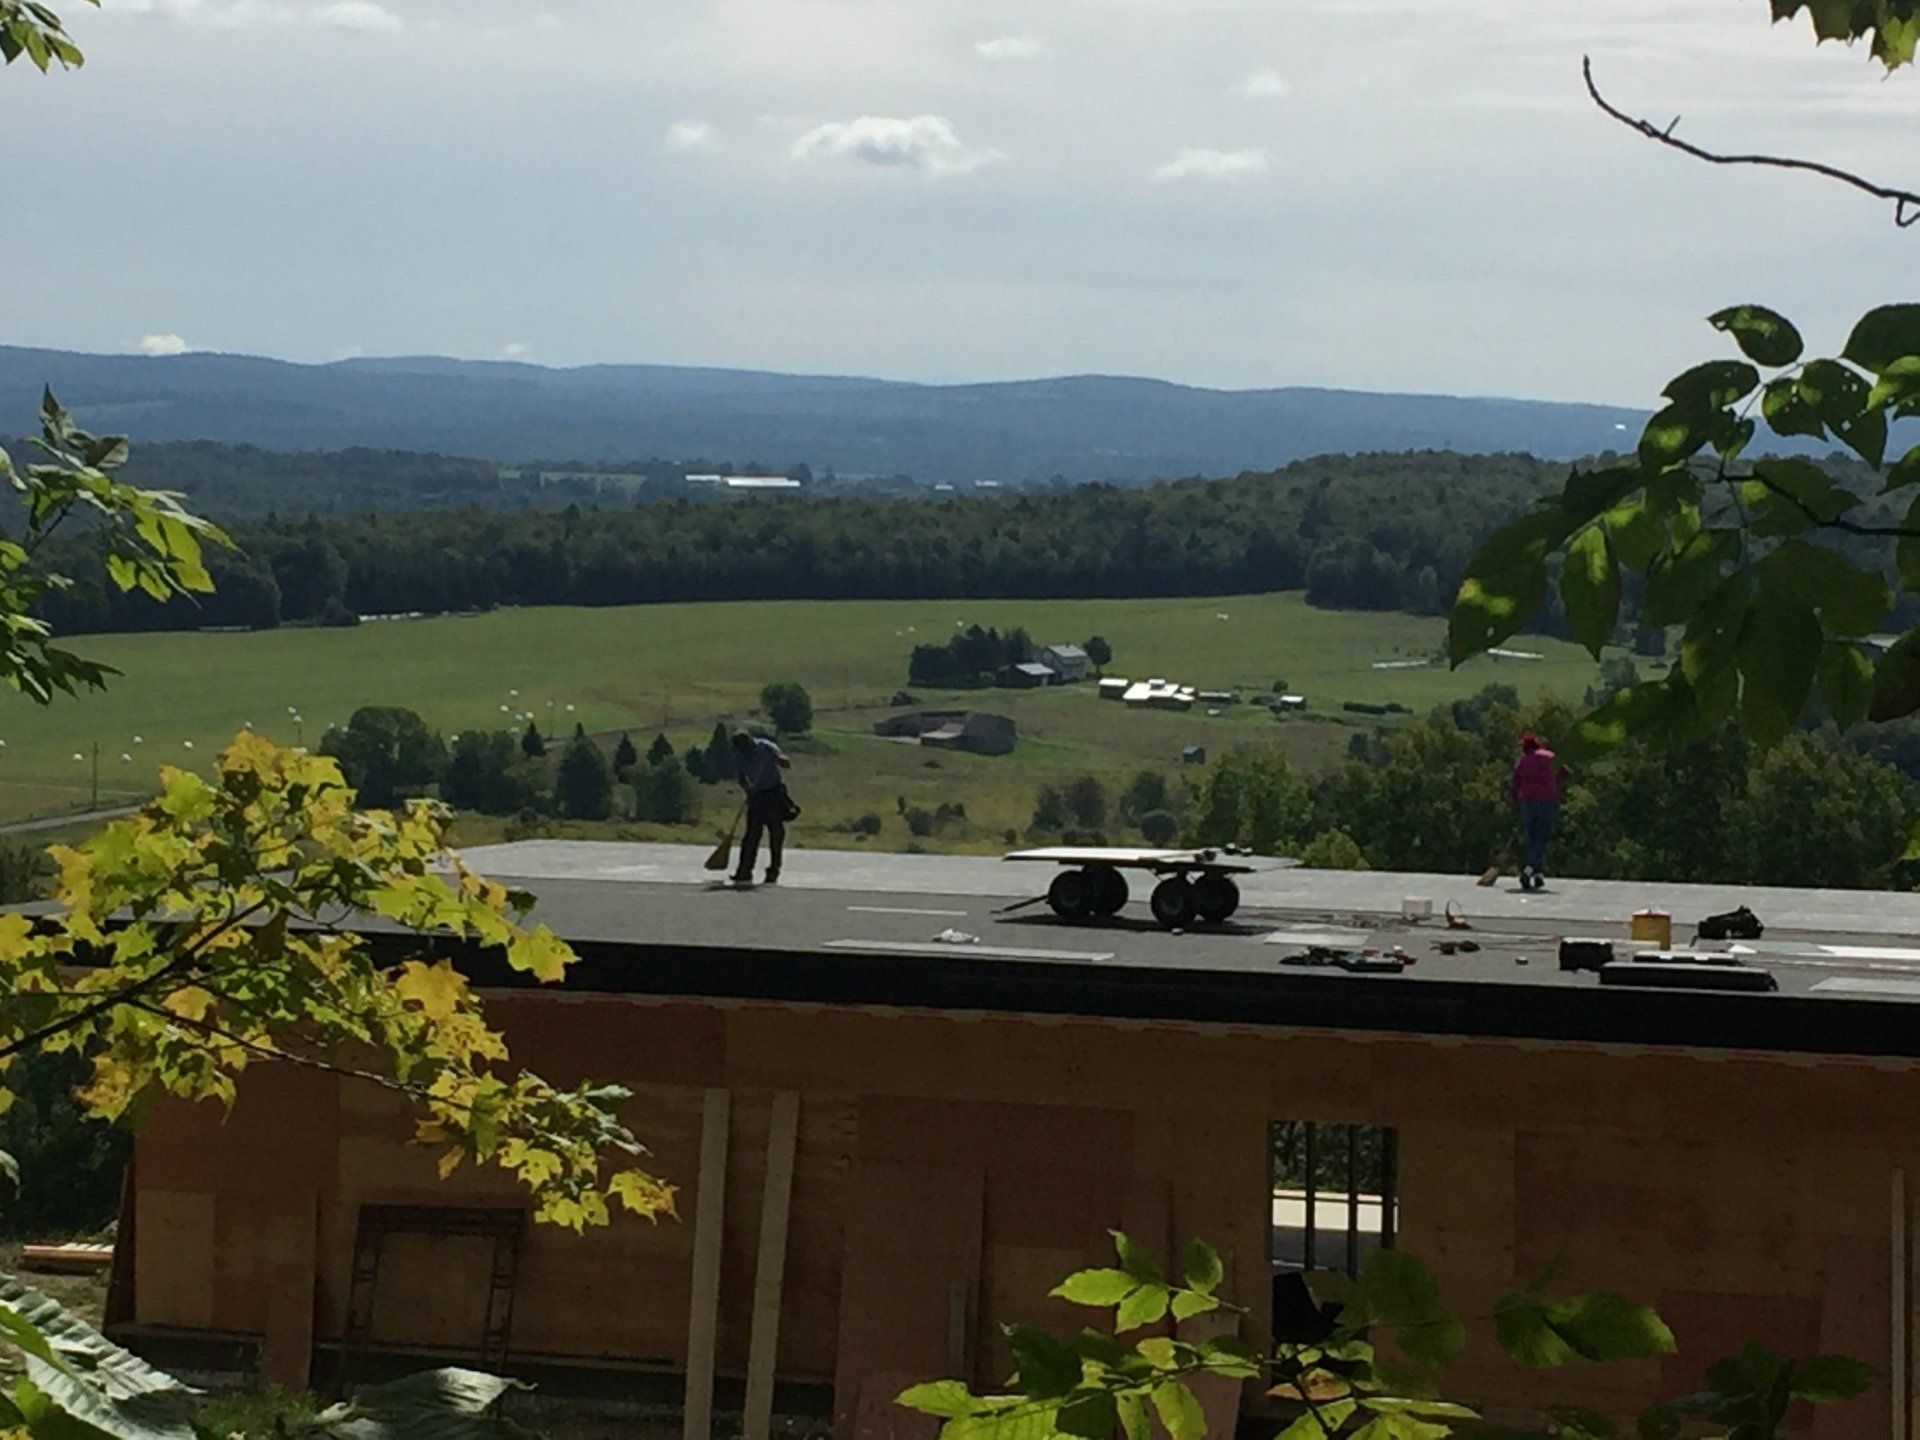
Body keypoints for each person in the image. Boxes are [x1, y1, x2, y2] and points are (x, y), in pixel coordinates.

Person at [731, 730, 792, 885]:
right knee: (751, 835)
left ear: (750, 741)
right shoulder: (740, 755)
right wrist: (747, 788)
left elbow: (787, 764)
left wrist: (776, 757)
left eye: (745, 747)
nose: (744, 750)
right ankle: (744, 871)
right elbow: (741, 778)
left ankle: (773, 871)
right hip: (756, 795)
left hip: (773, 793)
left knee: (775, 833)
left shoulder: (765, 746)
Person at [1509, 730, 1564, 892]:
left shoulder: (1523, 761)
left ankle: (1537, 874)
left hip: (1528, 802)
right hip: (1547, 801)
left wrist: (1515, 802)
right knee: (1542, 838)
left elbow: (1515, 784)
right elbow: (1566, 772)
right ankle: (1529, 870)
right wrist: (1553, 780)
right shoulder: (1549, 757)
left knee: (1532, 838)